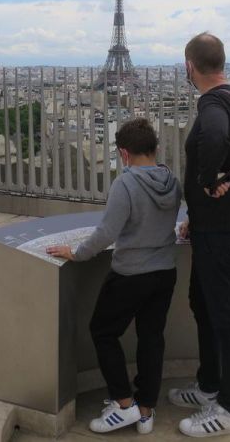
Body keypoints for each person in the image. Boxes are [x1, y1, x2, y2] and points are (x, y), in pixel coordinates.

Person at [47, 118, 182, 435]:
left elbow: (107, 232)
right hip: (165, 271)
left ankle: (124, 404)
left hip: (131, 273)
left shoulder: (126, 184)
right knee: (151, 338)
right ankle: (146, 409)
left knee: (103, 332)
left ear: (124, 153)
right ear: (155, 148)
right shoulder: (171, 181)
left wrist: (77, 253)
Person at [169, 32, 230, 438]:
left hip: (224, 229)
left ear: (191, 67)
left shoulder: (213, 103)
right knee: (204, 304)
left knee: (226, 315)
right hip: (216, 224)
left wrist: (207, 180)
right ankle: (209, 387)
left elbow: (218, 138)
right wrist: (199, 211)